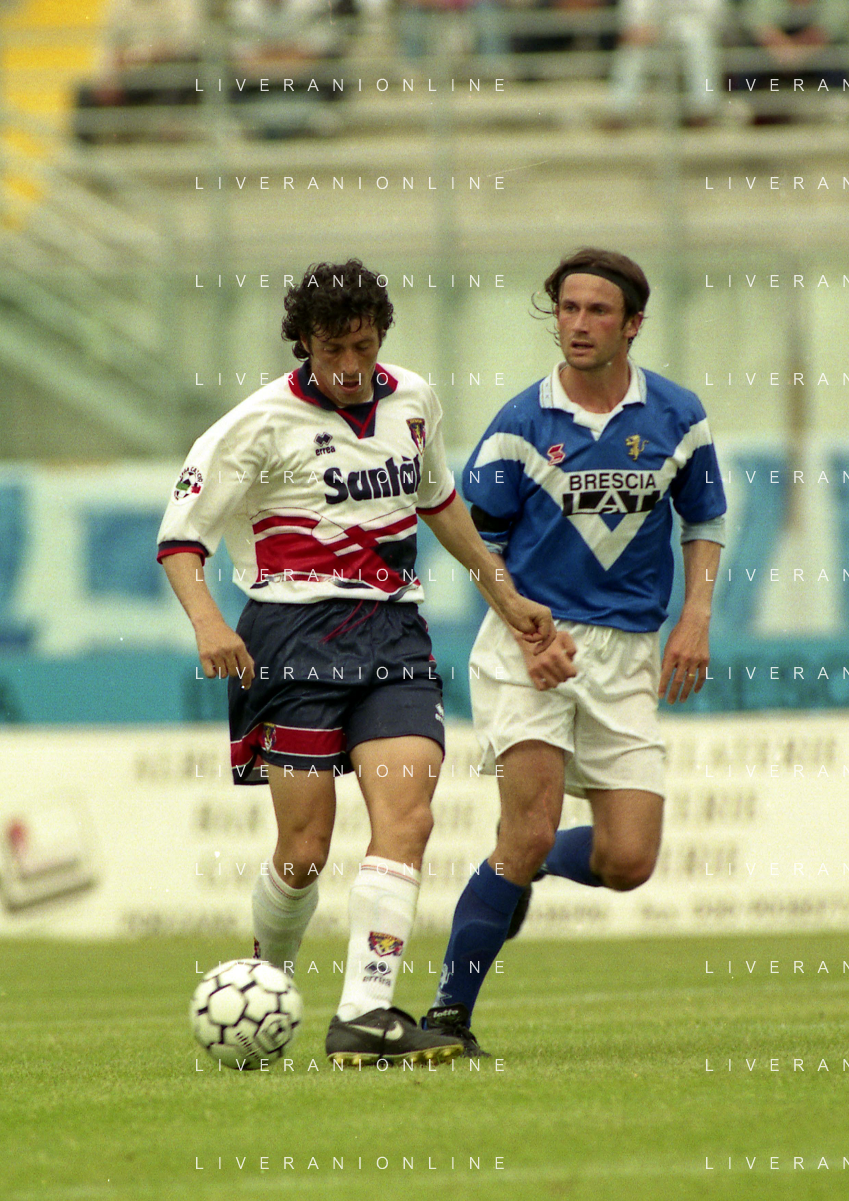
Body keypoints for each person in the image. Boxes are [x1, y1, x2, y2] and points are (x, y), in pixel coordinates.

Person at [156, 259, 556, 1067]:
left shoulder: (413, 401)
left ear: (380, 337)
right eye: (331, 348)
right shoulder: (254, 425)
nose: (349, 365)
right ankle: (268, 979)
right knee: (304, 847)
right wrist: (208, 623)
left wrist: (504, 595)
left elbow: (439, 503)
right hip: (292, 641)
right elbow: (180, 540)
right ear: (302, 343)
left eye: (363, 346)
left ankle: (364, 1012)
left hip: (394, 636)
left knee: (408, 817)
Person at [423, 247, 727, 1055]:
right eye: (567, 308)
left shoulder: (678, 415)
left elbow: (702, 519)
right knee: (527, 827)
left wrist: (695, 615)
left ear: (632, 324)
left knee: (628, 860)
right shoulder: (518, 425)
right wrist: (524, 628)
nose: (578, 324)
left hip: (627, 655)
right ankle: (447, 1017)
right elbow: (478, 548)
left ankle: (517, 871)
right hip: (532, 646)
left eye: (597, 310)